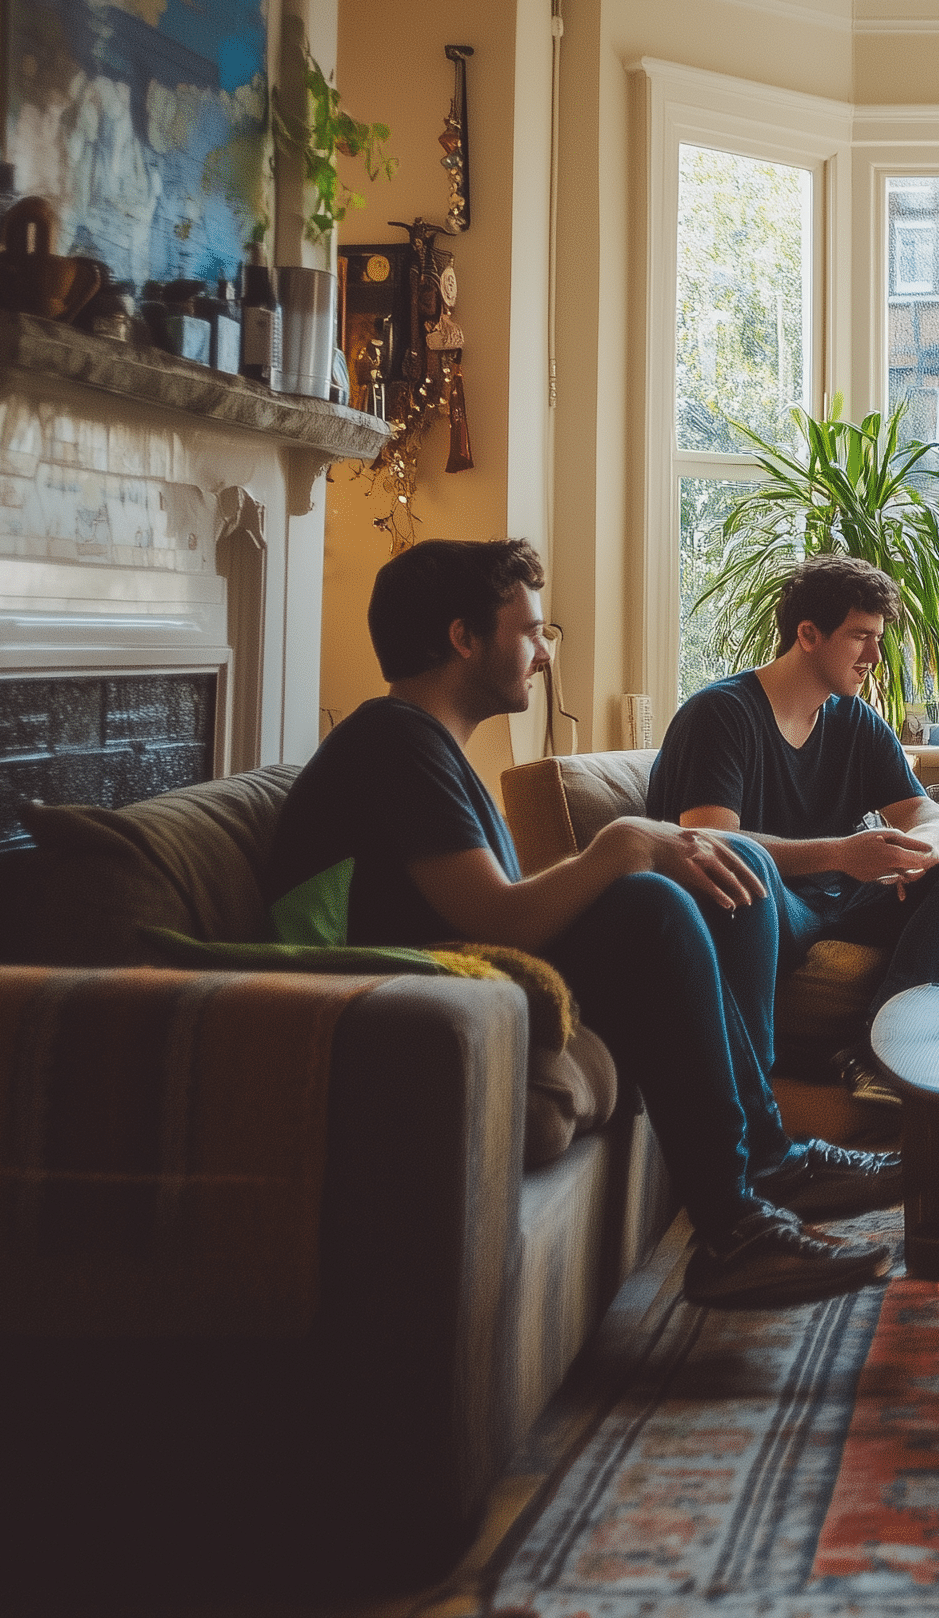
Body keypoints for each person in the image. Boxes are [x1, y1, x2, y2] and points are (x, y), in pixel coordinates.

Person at [267, 539, 900, 1310]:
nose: (542, 654)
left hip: (445, 969)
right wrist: (622, 845)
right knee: (653, 904)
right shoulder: (393, 742)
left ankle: (763, 1172)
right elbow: (493, 917)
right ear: (464, 638)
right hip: (392, 991)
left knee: (675, 893)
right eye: (530, 631)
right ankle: (747, 1203)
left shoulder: (422, 746)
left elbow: (486, 908)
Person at [647, 555, 939, 1040]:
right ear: (808, 634)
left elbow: (925, 811)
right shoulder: (721, 714)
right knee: (747, 864)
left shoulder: (852, 718)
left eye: (878, 639)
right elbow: (714, 843)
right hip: (771, 905)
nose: (875, 657)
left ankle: (892, 1038)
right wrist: (841, 855)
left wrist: (928, 846)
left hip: (841, 901)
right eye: (860, 637)